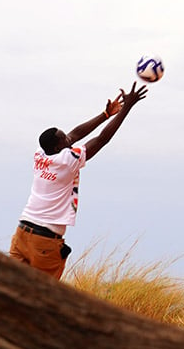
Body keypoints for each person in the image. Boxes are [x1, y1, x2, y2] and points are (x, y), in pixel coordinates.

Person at [9, 82, 148, 279]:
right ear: (58, 147)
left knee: (12, 288)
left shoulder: (41, 154)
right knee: (45, 296)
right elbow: (101, 140)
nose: (69, 139)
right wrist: (126, 108)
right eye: (64, 139)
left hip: (22, 234)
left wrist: (105, 114)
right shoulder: (67, 161)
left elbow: (73, 135)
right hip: (44, 241)